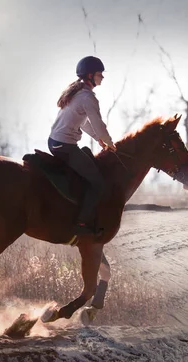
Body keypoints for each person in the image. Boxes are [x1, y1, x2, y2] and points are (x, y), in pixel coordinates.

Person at [48, 56, 117, 236]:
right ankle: (81, 224)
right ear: (90, 75)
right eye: (100, 74)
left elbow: (85, 123)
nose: (102, 77)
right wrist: (110, 144)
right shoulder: (87, 97)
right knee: (98, 184)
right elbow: (99, 124)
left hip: (56, 142)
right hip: (65, 146)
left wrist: (98, 139)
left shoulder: (77, 93)